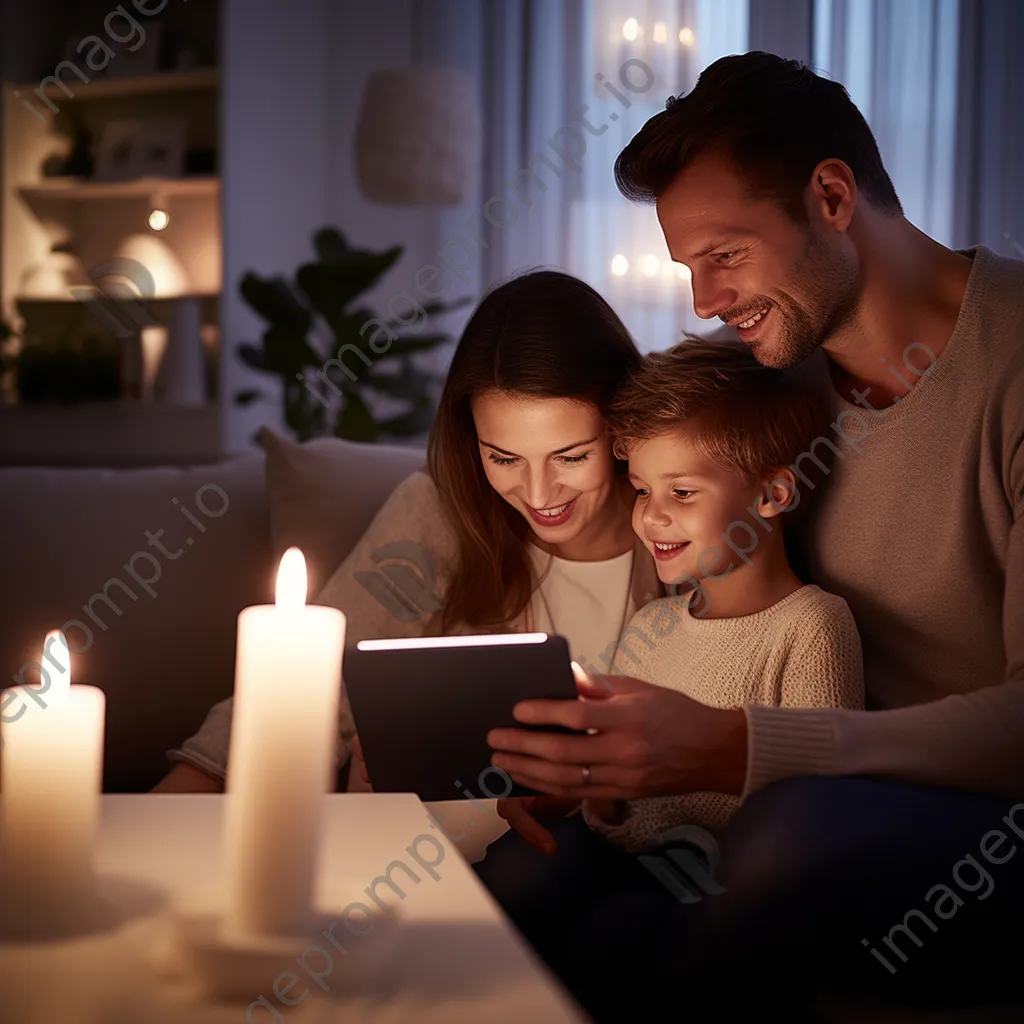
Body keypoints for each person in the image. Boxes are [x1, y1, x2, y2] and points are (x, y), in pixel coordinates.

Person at [482, 51, 1024, 1015]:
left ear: (829, 195)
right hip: (805, 785)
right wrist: (593, 760)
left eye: (724, 256)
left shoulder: (1013, 367)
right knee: (539, 861)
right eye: (689, 267)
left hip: (978, 828)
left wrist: (738, 750)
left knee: (789, 838)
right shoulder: (776, 390)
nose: (704, 301)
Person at [154, 270, 661, 861]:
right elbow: (305, 685)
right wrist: (151, 821)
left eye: (571, 456)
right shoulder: (438, 514)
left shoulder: (678, 525)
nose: (539, 491)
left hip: (605, 862)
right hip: (433, 865)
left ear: (624, 430)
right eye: (503, 458)